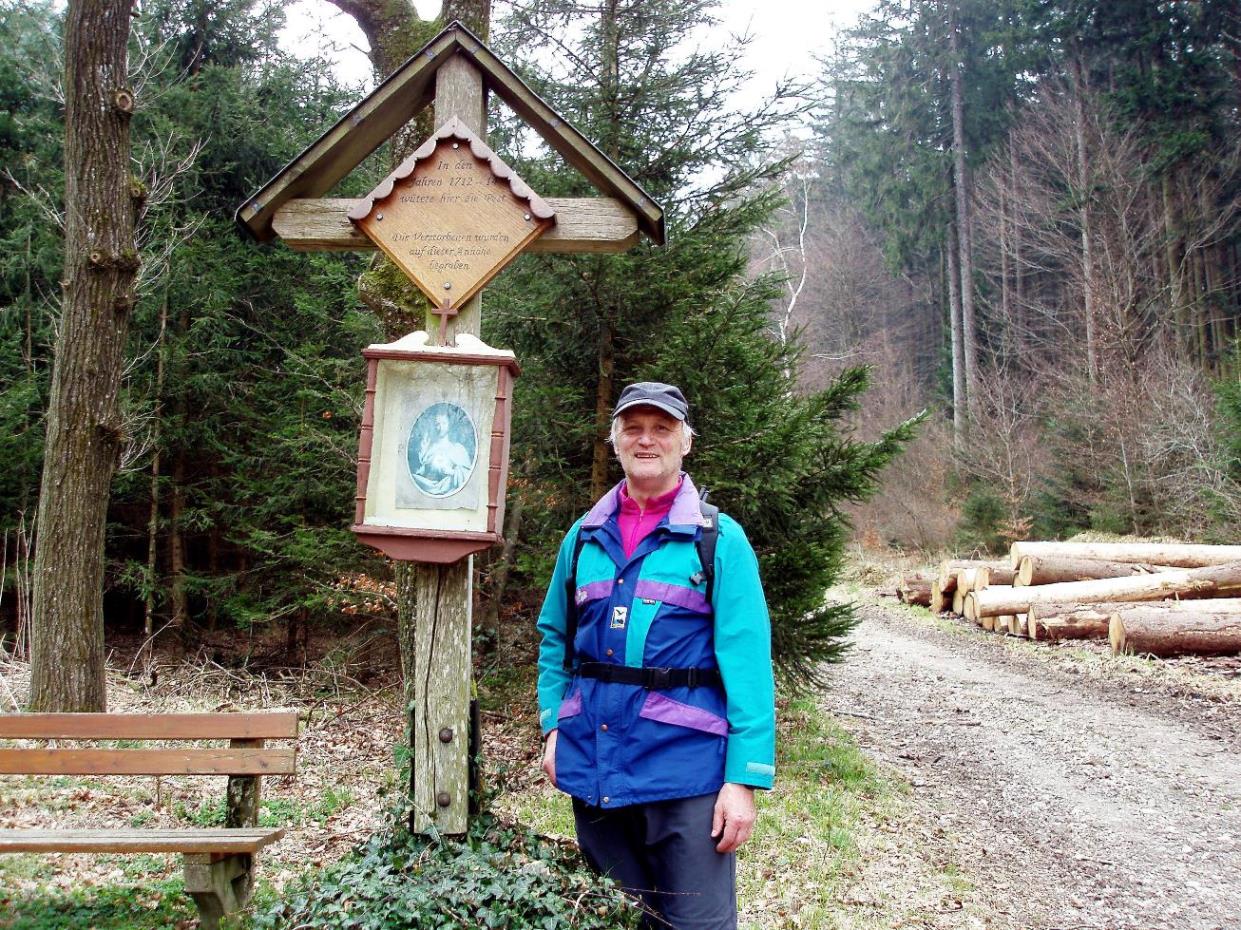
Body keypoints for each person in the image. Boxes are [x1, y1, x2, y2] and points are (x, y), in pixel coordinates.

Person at [535, 382, 776, 930]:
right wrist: (554, 726)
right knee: (616, 920)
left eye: (662, 429)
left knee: (696, 923)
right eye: (633, 429)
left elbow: (749, 667)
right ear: (614, 440)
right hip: (595, 767)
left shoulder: (718, 542)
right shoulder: (583, 538)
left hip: (687, 774)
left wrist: (743, 781)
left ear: (685, 441)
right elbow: (554, 638)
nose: (647, 440)